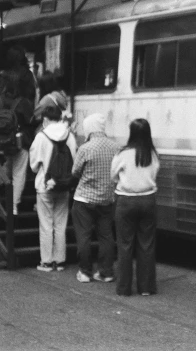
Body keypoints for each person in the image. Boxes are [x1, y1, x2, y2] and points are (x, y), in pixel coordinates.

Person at [111, 118, 160, 296]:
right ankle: (146, 287)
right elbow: (155, 174)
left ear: (131, 133)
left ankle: (124, 288)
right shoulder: (152, 154)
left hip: (126, 201)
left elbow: (113, 176)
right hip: (148, 200)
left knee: (125, 245)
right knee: (146, 245)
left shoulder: (123, 154)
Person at [71, 113, 122, 284]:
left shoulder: (85, 148)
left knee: (83, 237)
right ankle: (106, 273)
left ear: (89, 128)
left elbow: (75, 172)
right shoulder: (116, 147)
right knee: (106, 236)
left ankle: (85, 273)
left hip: (84, 200)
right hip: (107, 199)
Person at [29, 104, 77, 272]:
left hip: (45, 185)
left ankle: (46, 262)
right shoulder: (70, 136)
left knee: (46, 225)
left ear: (46, 119)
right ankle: (60, 261)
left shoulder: (41, 137)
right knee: (61, 224)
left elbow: (34, 165)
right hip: (64, 186)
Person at [0, 74, 34, 215]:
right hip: (19, 141)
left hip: (1, 141)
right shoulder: (23, 102)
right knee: (19, 172)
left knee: (8, 165)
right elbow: (29, 120)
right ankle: (13, 206)